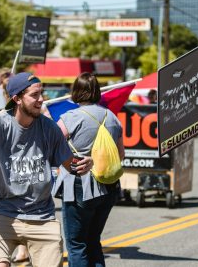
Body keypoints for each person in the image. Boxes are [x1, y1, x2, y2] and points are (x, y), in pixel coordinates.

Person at [0, 72, 93, 267]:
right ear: (17, 99)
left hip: (42, 216)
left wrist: (83, 164)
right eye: (35, 95)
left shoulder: (49, 128)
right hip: (2, 212)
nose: (42, 99)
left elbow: (70, 165)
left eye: (42, 93)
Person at [56, 72, 125, 267]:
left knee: (77, 244)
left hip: (79, 184)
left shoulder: (70, 117)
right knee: (93, 241)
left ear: (76, 91)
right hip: (108, 184)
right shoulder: (112, 117)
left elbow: (52, 147)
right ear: (97, 92)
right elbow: (121, 155)